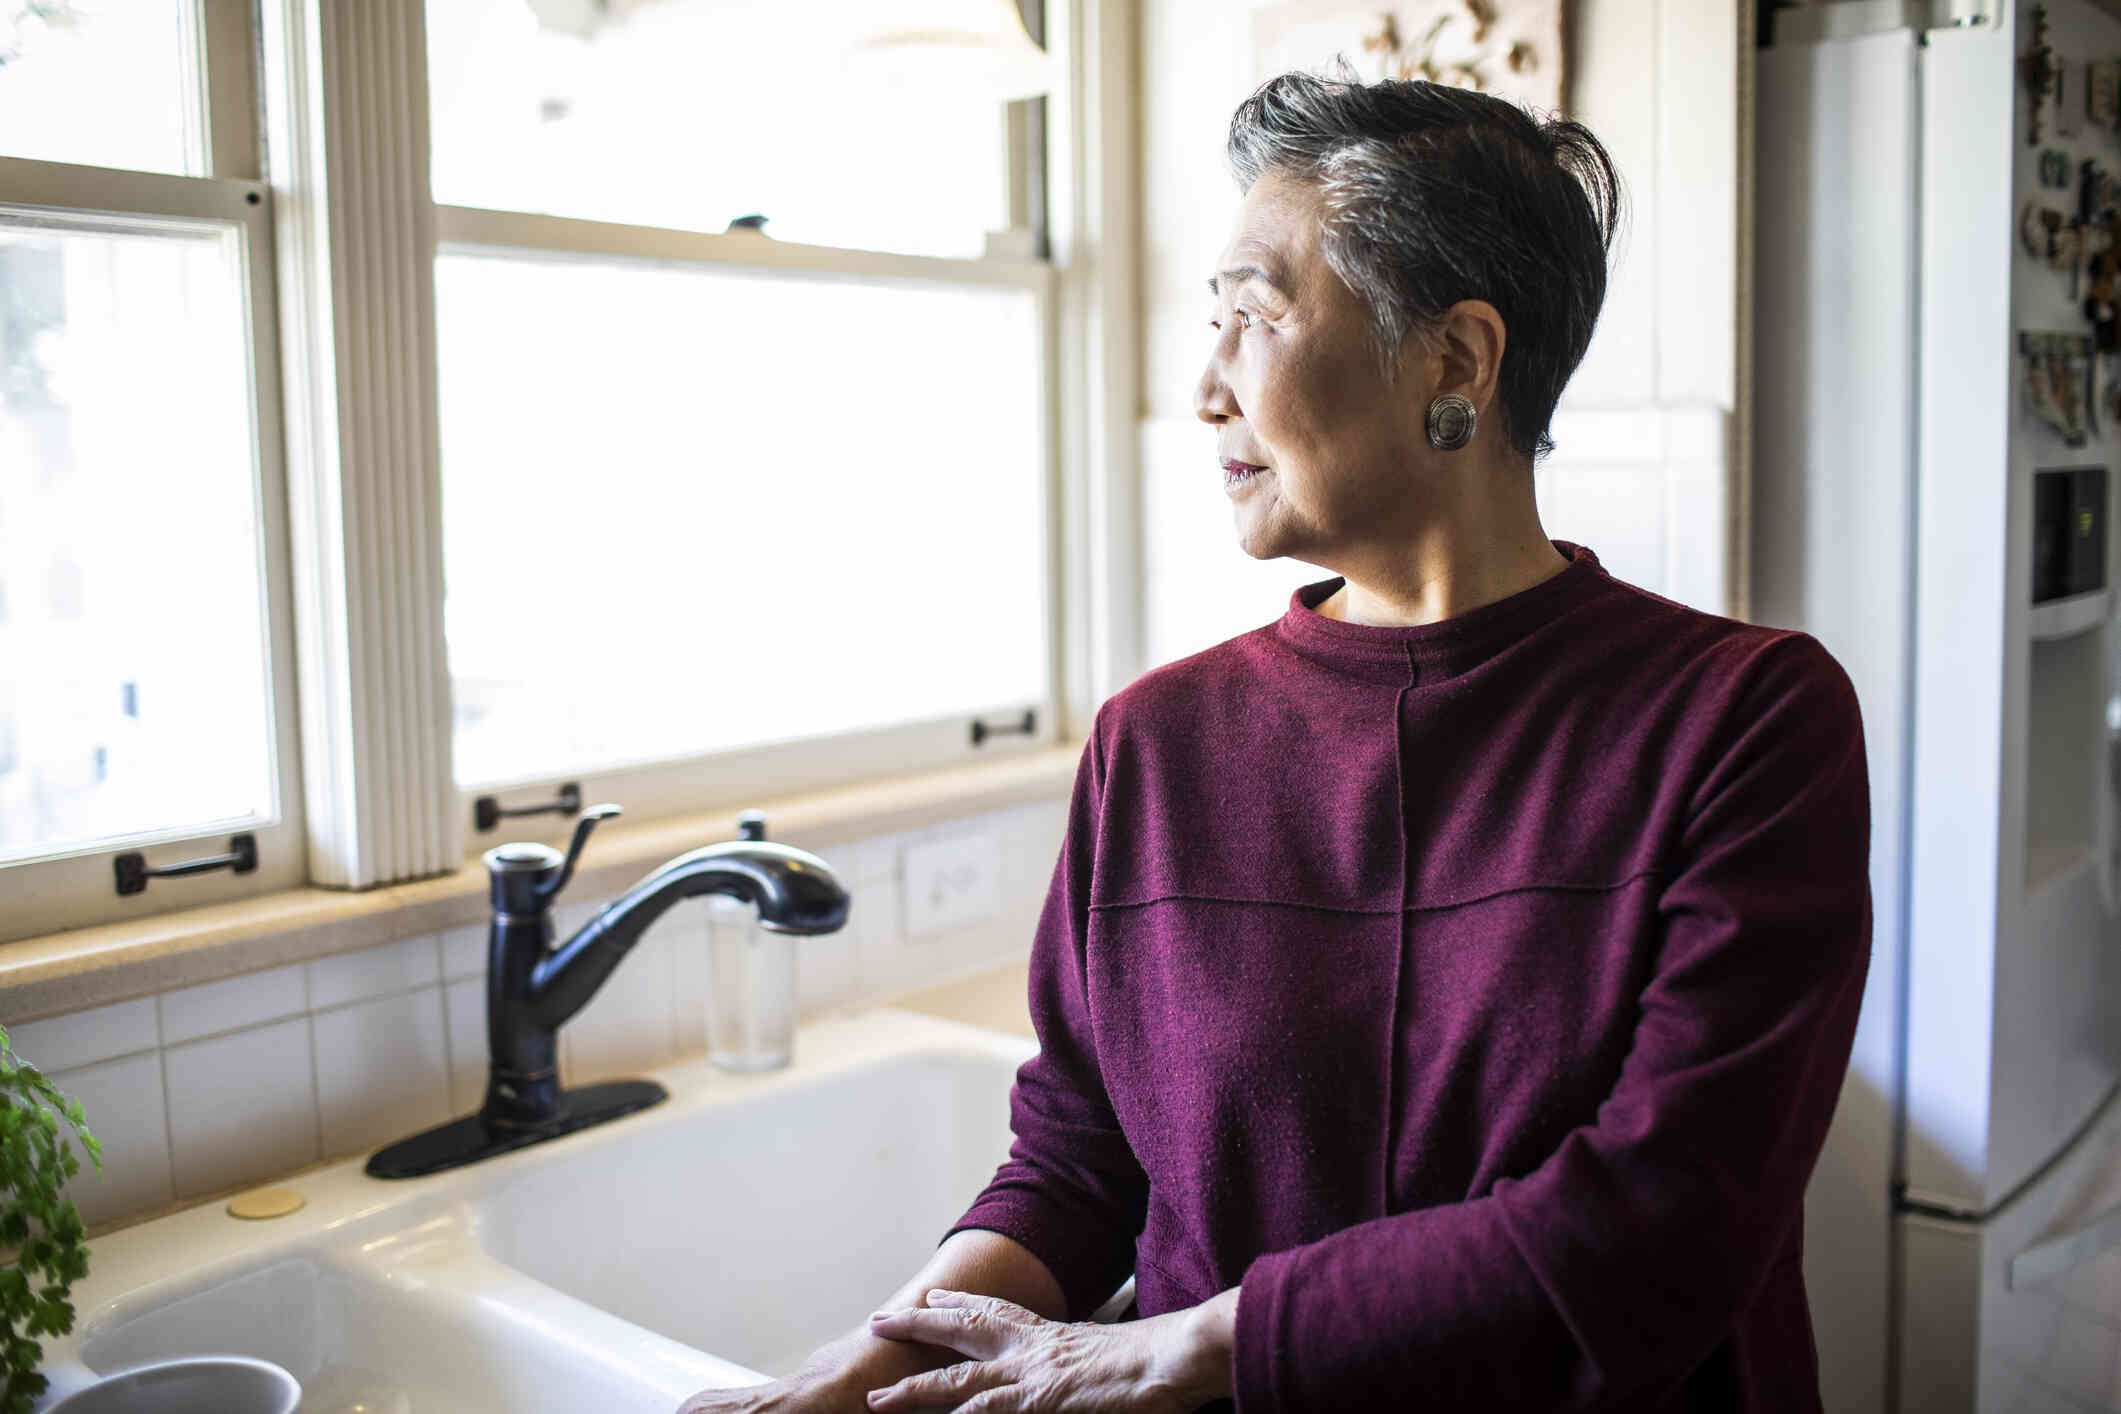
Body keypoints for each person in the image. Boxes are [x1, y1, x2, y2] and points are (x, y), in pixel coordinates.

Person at [679, 67, 1871, 1414]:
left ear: (1455, 362)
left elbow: (1666, 1219)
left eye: (1251, 316)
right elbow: (1079, 1157)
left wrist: (1191, 1342)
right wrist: (880, 1356)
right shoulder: (1156, 739)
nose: (1203, 389)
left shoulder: (1742, 717)